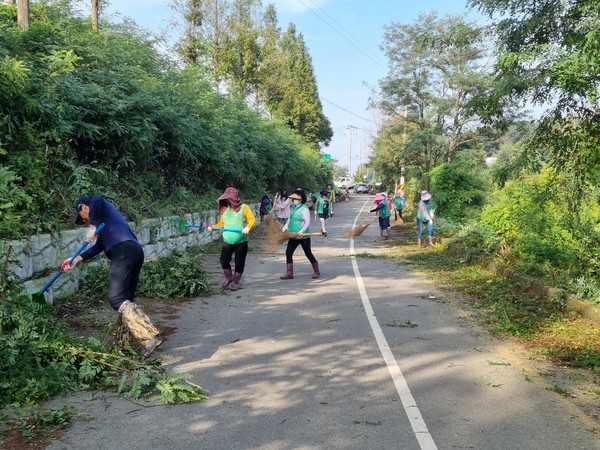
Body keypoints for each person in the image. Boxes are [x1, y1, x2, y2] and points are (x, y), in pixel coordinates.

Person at [62, 195, 162, 358]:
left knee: (116, 299)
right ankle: (123, 345)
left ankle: (149, 336)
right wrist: (77, 259)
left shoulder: (98, 206)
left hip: (123, 251)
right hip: (133, 251)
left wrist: (93, 225)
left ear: (83, 208)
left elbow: (97, 199)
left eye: (84, 218)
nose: (86, 221)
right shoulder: (106, 220)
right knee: (126, 301)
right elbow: (98, 246)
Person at [207, 187, 256, 291]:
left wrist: (247, 227)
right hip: (227, 240)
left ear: (234, 199)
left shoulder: (244, 207)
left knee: (239, 261)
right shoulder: (226, 210)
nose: (227, 201)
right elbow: (222, 224)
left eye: (228, 199)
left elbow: (252, 219)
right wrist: (213, 226)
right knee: (224, 260)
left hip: (241, 241)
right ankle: (229, 278)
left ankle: (236, 281)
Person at [280, 189, 320, 280]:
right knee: (288, 252)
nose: (294, 200)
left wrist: (302, 231)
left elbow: (307, 222)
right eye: (293, 199)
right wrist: (285, 226)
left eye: (296, 199)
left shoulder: (304, 209)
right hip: (293, 235)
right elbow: (290, 219)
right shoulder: (293, 208)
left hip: (303, 236)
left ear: (301, 199)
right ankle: (289, 273)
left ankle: (316, 271)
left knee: (308, 253)